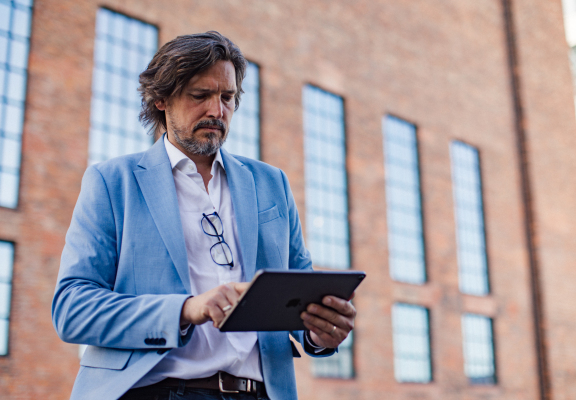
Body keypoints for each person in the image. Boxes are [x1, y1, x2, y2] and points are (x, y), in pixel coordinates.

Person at [52, 31, 357, 400]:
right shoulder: (112, 182)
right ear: (161, 99)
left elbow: (297, 295)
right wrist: (186, 309)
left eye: (227, 98)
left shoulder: (271, 183)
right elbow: (72, 308)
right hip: (152, 391)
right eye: (200, 96)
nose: (217, 111)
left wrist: (319, 332)